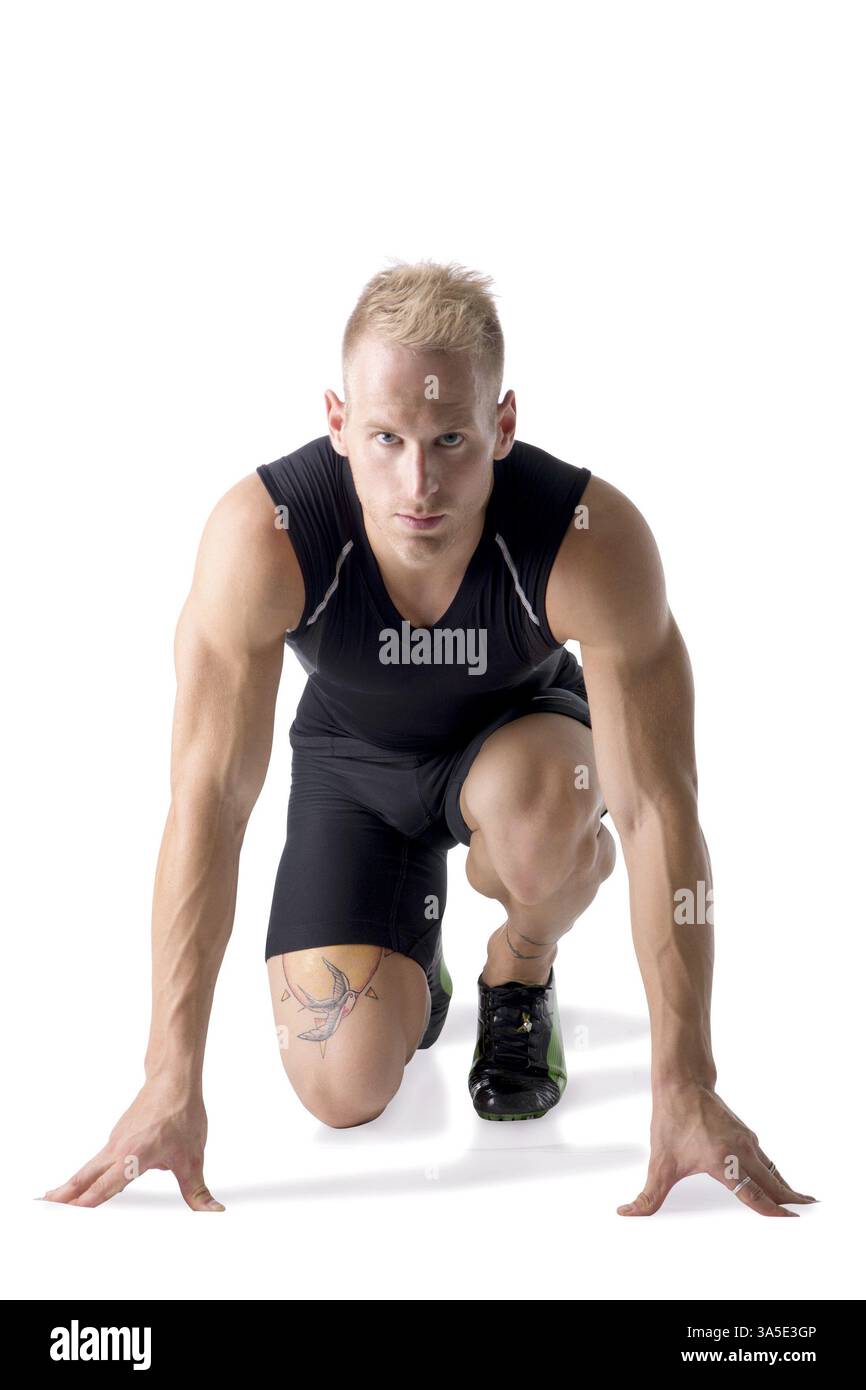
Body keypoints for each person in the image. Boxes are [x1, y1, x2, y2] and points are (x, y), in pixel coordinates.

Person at [42, 260, 816, 1216]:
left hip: (523, 750)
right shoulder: (265, 537)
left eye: (452, 438)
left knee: (548, 812)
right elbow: (208, 803)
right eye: (386, 438)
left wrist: (686, 1079)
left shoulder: (589, 539)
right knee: (342, 1088)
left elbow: (660, 811)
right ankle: (416, 954)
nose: (420, 482)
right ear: (337, 423)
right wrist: (168, 1077)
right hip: (352, 769)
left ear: (502, 424)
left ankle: (519, 971)